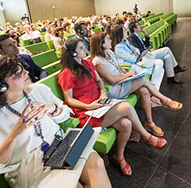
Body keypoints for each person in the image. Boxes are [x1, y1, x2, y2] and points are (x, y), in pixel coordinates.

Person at [0, 56, 112, 188]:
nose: (27, 72)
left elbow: (66, 114)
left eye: (23, 69)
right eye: (18, 74)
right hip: (30, 165)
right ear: (2, 86)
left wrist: (53, 109)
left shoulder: (38, 90)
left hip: (61, 142)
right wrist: (14, 134)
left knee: (97, 163)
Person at [58, 38, 168, 176]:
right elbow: (69, 100)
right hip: (86, 112)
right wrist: (88, 105)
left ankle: (119, 157)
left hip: (99, 103)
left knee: (126, 124)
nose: (84, 50)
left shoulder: (87, 63)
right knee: (127, 107)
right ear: (73, 53)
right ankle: (147, 137)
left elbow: (99, 81)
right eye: (80, 48)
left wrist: (103, 92)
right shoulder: (66, 74)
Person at [91, 32, 183, 136]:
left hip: (122, 82)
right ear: (101, 44)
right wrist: (128, 75)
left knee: (144, 91)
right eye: (108, 40)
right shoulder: (98, 61)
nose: (111, 40)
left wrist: (128, 75)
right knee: (143, 80)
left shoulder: (110, 53)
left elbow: (119, 68)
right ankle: (165, 100)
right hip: (114, 89)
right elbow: (111, 80)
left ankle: (149, 123)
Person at [110, 25, 165, 90]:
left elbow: (137, 50)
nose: (126, 32)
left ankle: (153, 88)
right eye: (124, 31)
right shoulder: (118, 47)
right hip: (131, 67)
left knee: (160, 63)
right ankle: (154, 90)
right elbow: (132, 59)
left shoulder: (125, 41)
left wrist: (135, 53)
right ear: (120, 34)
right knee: (161, 70)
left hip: (137, 62)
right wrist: (135, 54)